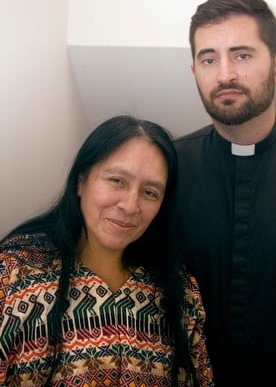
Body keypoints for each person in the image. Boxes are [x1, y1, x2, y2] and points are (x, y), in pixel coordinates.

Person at [0, 115, 213, 387]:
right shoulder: (15, 274)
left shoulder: (179, 291)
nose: (130, 205)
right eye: (116, 180)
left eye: (150, 192)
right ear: (81, 181)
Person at [172, 0, 276, 386]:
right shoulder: (167, 167)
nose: (225, 75)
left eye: (242, 55)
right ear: (194, 70)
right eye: (209, 59)